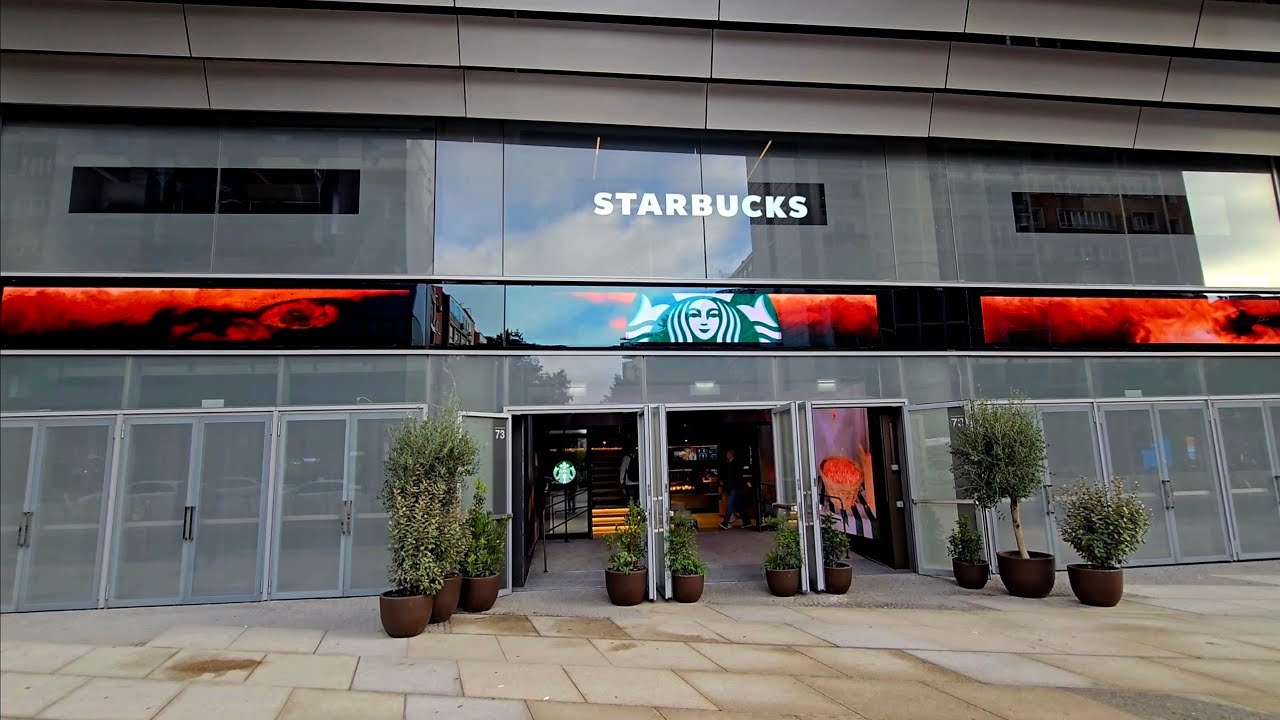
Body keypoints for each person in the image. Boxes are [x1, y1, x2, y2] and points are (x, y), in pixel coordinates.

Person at [718, 447, 751, 530]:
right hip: (733, 487)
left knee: (730, 505)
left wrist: (725, 485)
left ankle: (725, 523)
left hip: (734, 487)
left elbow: (735, 477)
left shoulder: (735, 464)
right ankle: (747, 522)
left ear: (730, 454)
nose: (726, 455)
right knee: (739, 506)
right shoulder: (730, 463)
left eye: (727, 454)